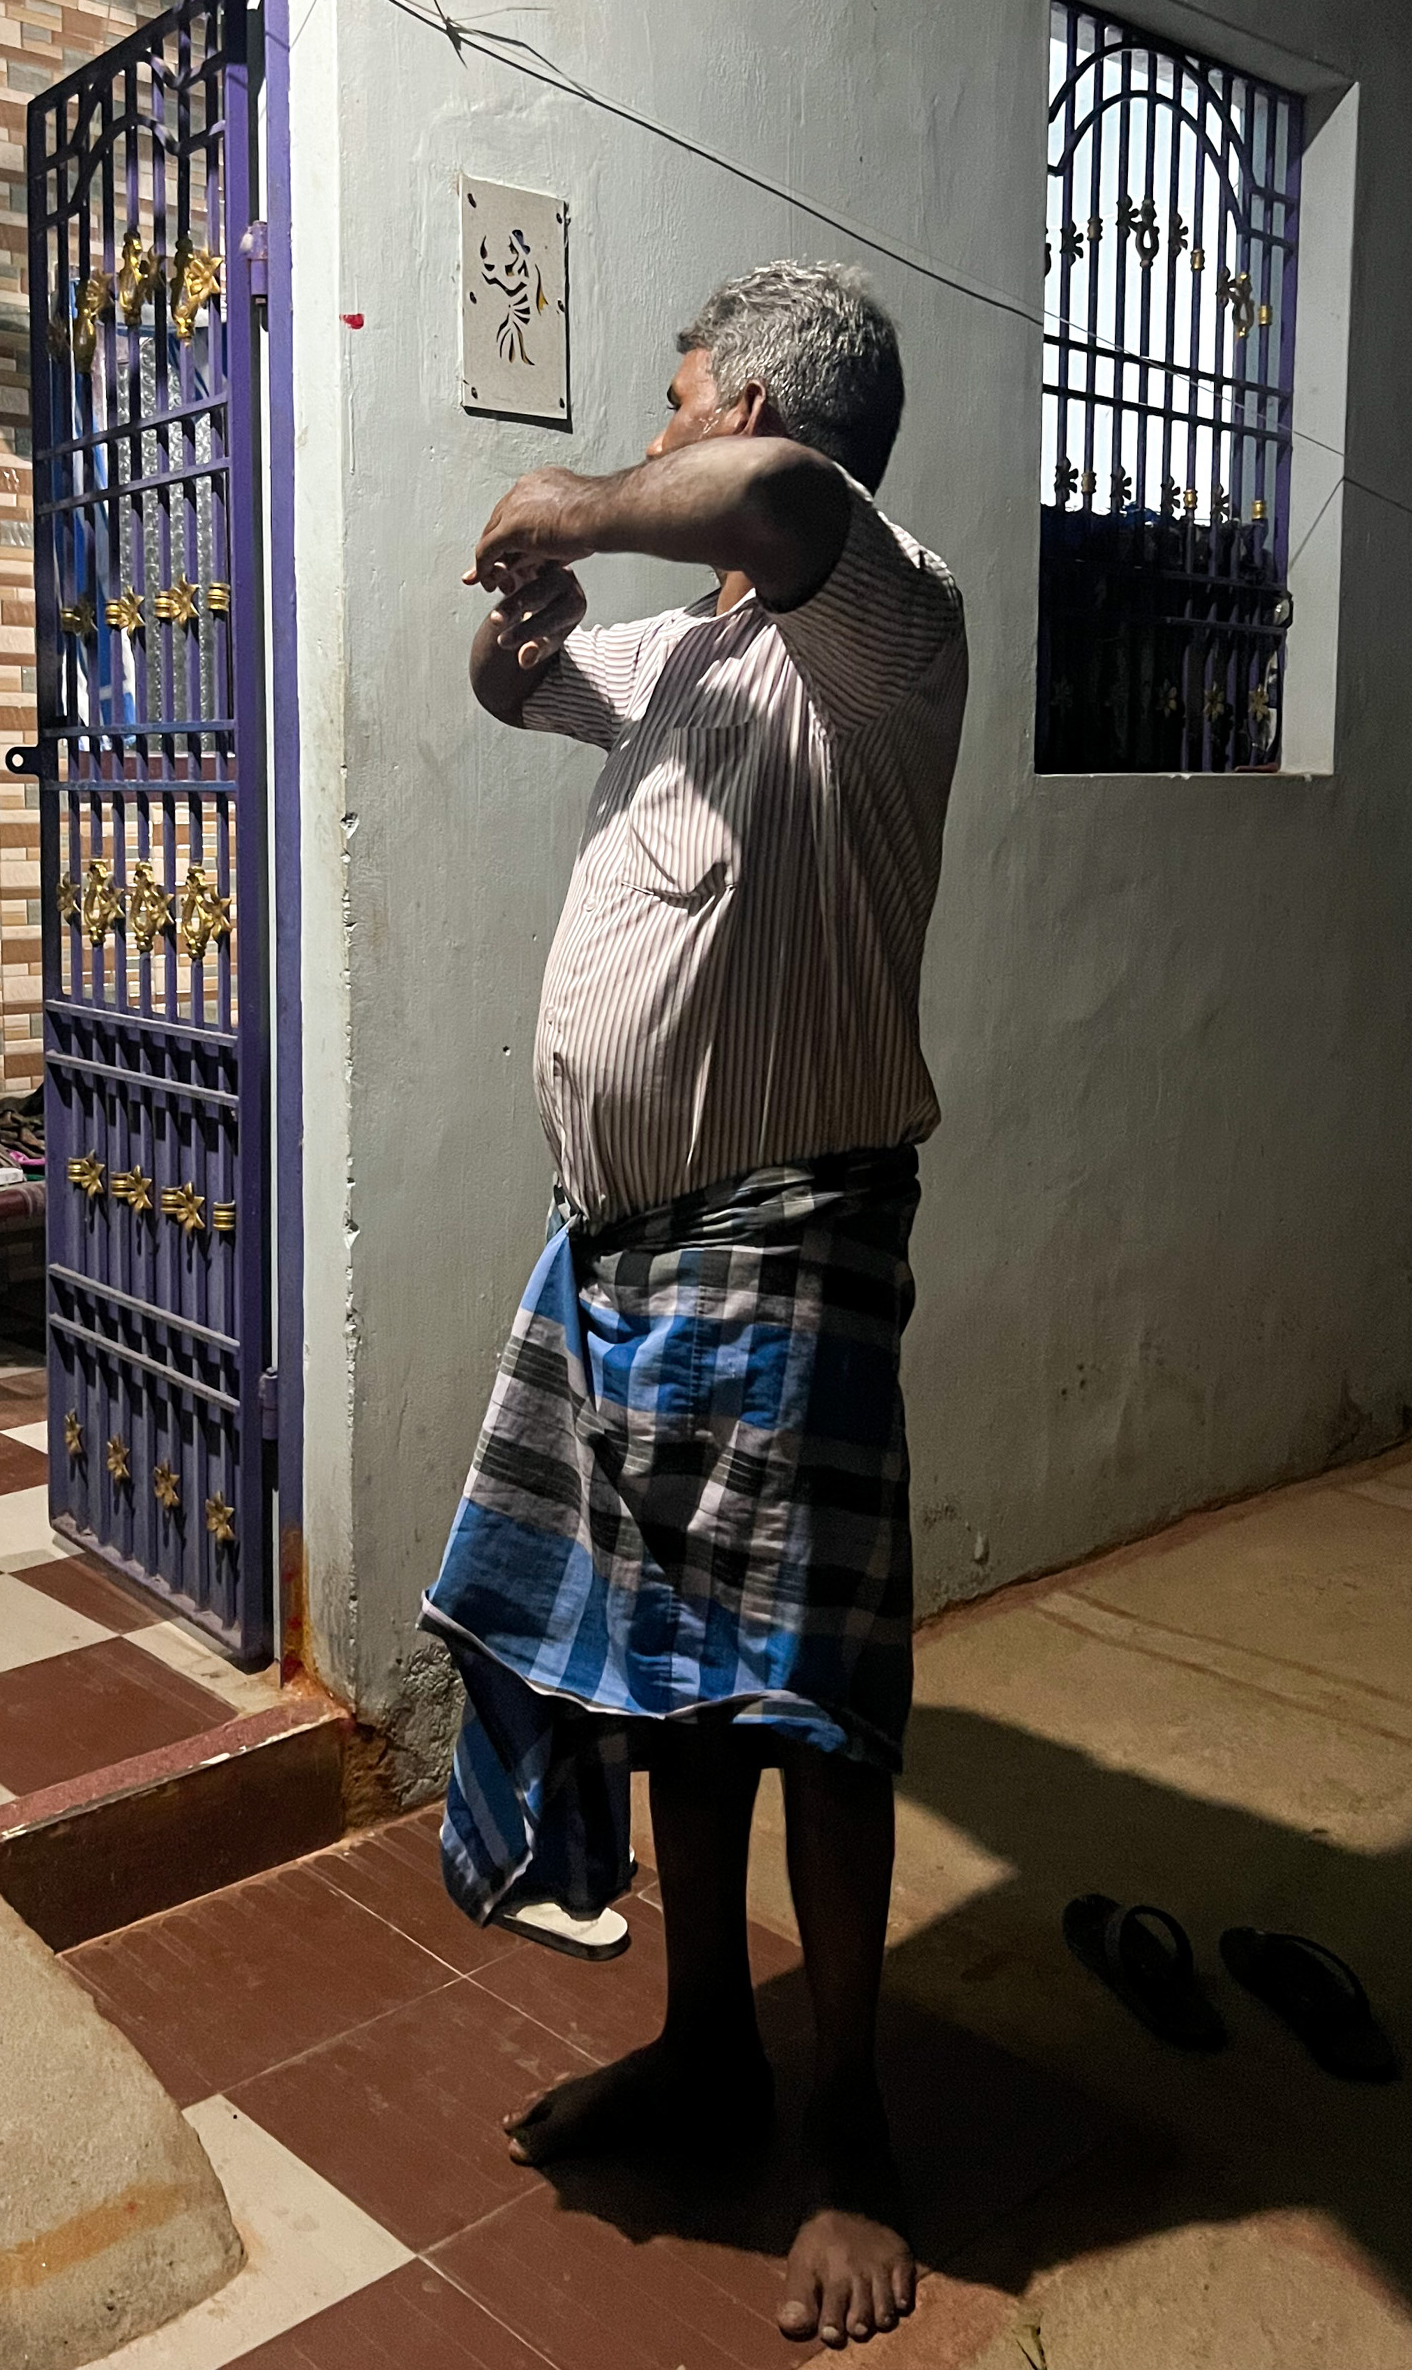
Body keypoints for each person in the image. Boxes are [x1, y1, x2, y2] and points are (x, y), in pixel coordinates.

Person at [421, 263, 968, 2351]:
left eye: (674, 408)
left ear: (746, 405)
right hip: (632, 1238)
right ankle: (711, 2040)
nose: (657, 439)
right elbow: (507, 691)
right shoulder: (693, 651)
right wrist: (526, 623)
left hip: (792, 1224)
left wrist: (580, 488)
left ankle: (850, 2123)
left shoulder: (882, 619)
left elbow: (781, 504)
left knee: (809, 1692)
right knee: (667, 1672)